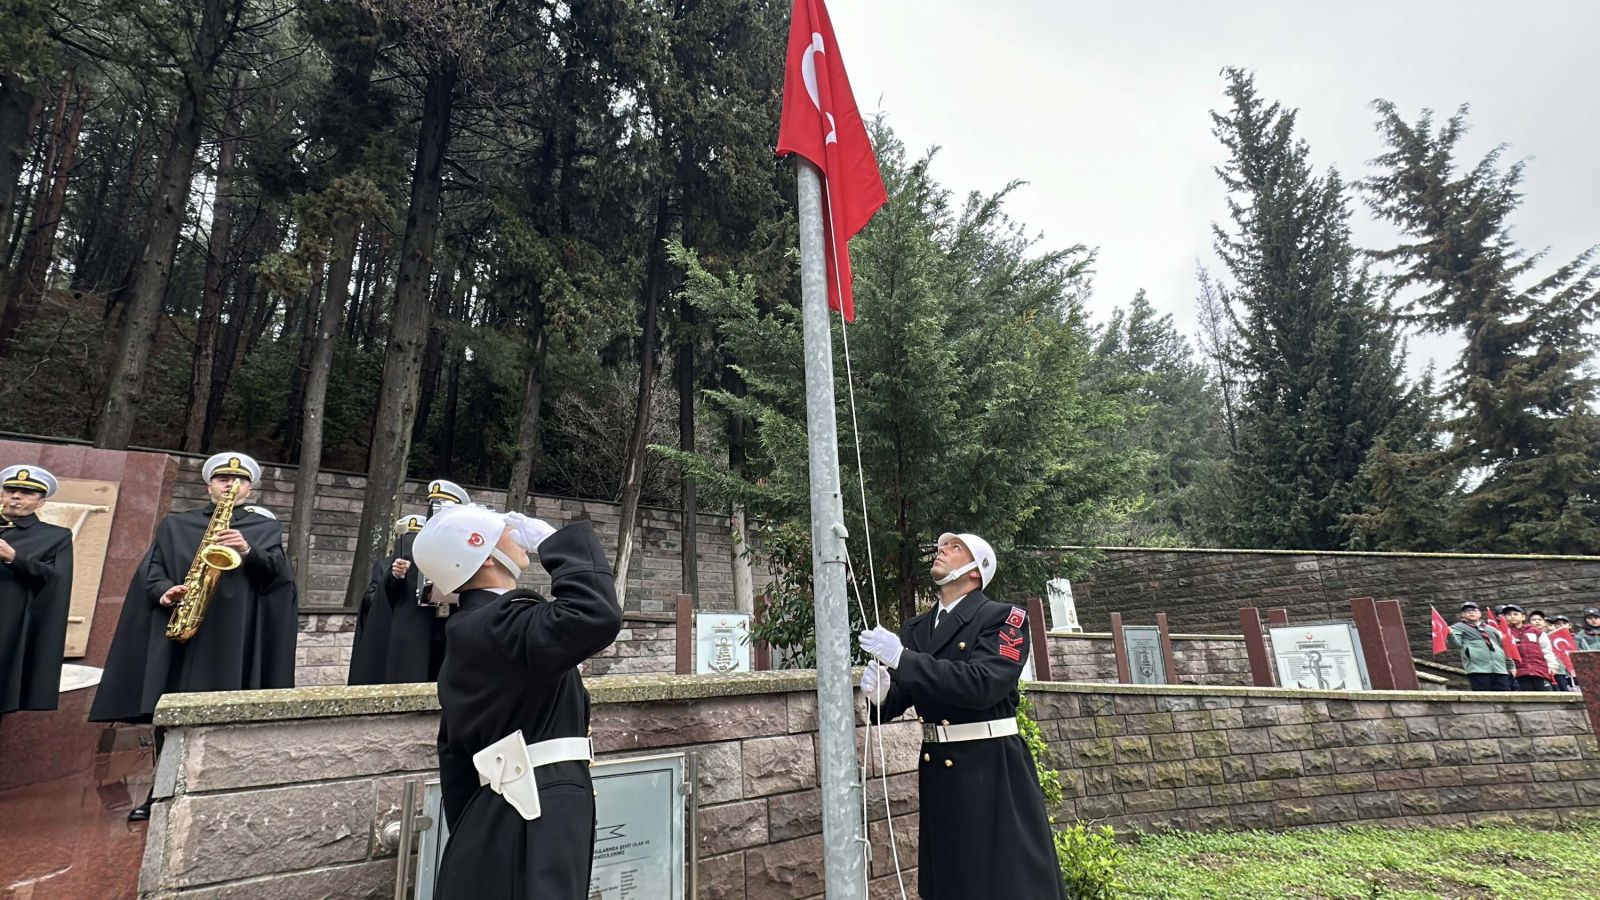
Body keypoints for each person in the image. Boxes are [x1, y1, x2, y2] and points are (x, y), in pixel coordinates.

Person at [415, 504, 621, 899]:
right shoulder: (500, 622)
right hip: (537, 811)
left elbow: (455, 756)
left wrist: (480, 830)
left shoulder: (470, 629)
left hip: (499, 813)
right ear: (485, 554)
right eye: (503, 530)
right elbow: (595, 612)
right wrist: (554, 543)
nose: (516, 533)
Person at [857, 532, 1066, 900]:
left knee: (1006, 880)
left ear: (975, 570)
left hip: (992, 765)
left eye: (955, 547)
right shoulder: (916, 629)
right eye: (943, 545)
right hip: (938, 768)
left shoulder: (1004, 618)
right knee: (951, 877)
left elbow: (983, 684)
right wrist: (882, 694)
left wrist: (903, 659)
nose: (942, 549)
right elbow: (904, 697)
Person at [90, 452, 298, 820]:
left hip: (233, 636)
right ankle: (160, 790)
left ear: (249, 490)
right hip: (182, 632)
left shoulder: (263, 529)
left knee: (226, 713)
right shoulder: (175, 525)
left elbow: (279, 577)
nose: (230, 485)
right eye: (222, 479)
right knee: (168, 710)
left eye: (239, 481)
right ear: (208, 486)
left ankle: (221, 789)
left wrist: (247, 550)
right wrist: (165, 592)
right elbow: (151, 571)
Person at [0, 465, 75, 719]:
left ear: (40, 502)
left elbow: (57, 579)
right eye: (10, 490)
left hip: (7, 627)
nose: (15, 496)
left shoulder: (54, 537)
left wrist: (14, 557)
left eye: (26, 493)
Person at [348, 513, 449, 685]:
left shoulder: (436, 567)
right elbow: (371, 599)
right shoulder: (384, 566)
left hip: (432, 637)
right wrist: (393, 578)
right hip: (394, 636)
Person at [1446, 602, 1511, 692]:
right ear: (1462, 615)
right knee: (1483, 695)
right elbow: (1456, 644)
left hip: (1499, 669)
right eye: (1467, 611)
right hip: (1478, 669)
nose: (1471, 612)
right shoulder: (1458, 627)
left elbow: (1503, 647)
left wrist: (1510, 665)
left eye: (1474, 610)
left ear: (1479, 613)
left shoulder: (1490, 628)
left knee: (1504, 695)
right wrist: (1450, 634)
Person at [1499, 604, 1552, 691]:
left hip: (1539, 670)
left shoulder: (1536, 631)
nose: (1512, 616)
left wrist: (1552, 665)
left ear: (1523, 617)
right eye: (1508, 614)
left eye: (1515, 614)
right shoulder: (1503, 633)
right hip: (1518, 672)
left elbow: (1547, 650)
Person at [1531, 611, 1574, 691]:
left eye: (1550, 624)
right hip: (1542, 669)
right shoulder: (1532, 635)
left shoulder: (1556, 637)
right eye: (1534, 620)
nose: (1548, 626)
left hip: (1560, 669)